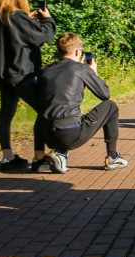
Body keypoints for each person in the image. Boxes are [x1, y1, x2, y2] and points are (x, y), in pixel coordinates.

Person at [0, 0, 56, 171]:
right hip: (22, 74)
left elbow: (12, 37)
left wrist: (29, 20)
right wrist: (48, 20)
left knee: (6, 113)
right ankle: (39, 157)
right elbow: (41, 36)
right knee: (45, 109)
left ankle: (7, 157)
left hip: (2, 75)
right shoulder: (18, 17)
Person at [33, 33, 127, 173]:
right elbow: (104, 95)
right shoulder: (81, 69)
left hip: (48, 135)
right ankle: (112, 157)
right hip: (70, 134)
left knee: (44, 110)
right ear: (77, 51)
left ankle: (41, 159)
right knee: (111, 106)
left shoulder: (44, 70)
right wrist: (93, 73)